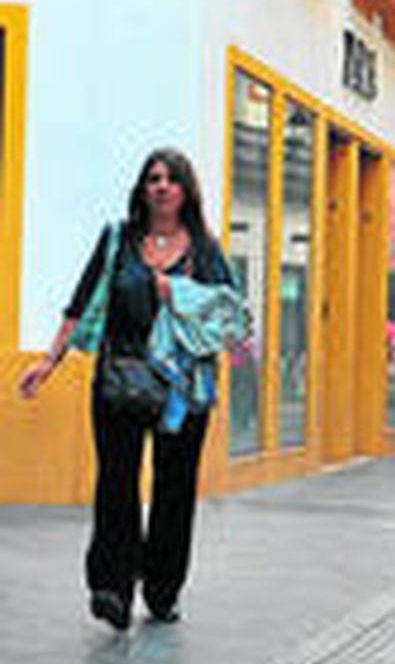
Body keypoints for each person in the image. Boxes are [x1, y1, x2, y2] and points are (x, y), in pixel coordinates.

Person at [18, 148, 244, 630]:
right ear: (143, 189)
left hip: (181, 391)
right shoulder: (117, 240)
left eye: (171, 179)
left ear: (186, 191)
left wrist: (178, 293)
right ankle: (112, 589)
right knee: (116, 484)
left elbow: (232, 315)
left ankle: (162, 590)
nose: (161, 186)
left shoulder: (205, 249)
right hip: (117, 381)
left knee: (173, 488)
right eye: (153, 178)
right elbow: (79, 305)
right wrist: (48, 362)